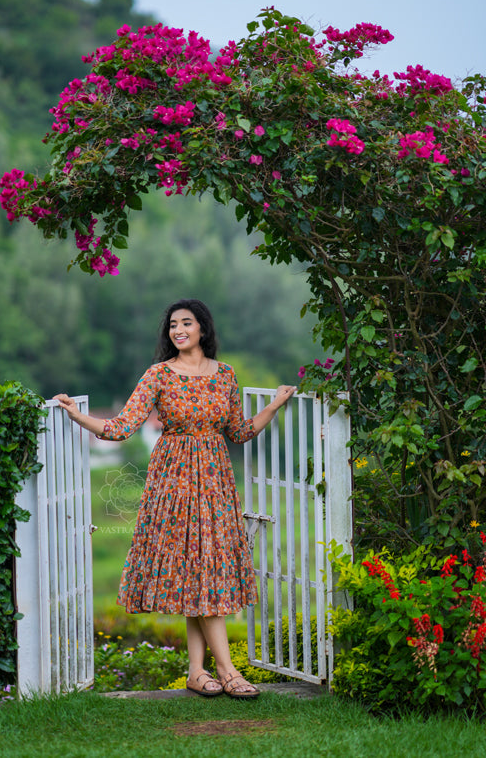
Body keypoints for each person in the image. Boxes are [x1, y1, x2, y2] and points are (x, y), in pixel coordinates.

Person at [54, 298, 296, 699]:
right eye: (172, 325)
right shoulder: (159, 375)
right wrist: (77, 416)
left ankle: (196, 672)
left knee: (205, 574)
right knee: (195, 573)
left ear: (203, 327)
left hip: (216, 483)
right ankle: (227, 669)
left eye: (186, 323)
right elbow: (121, 427)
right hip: (174, 484)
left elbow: (239, 431)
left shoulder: (226, 376)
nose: (178, 330)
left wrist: (273, 405)